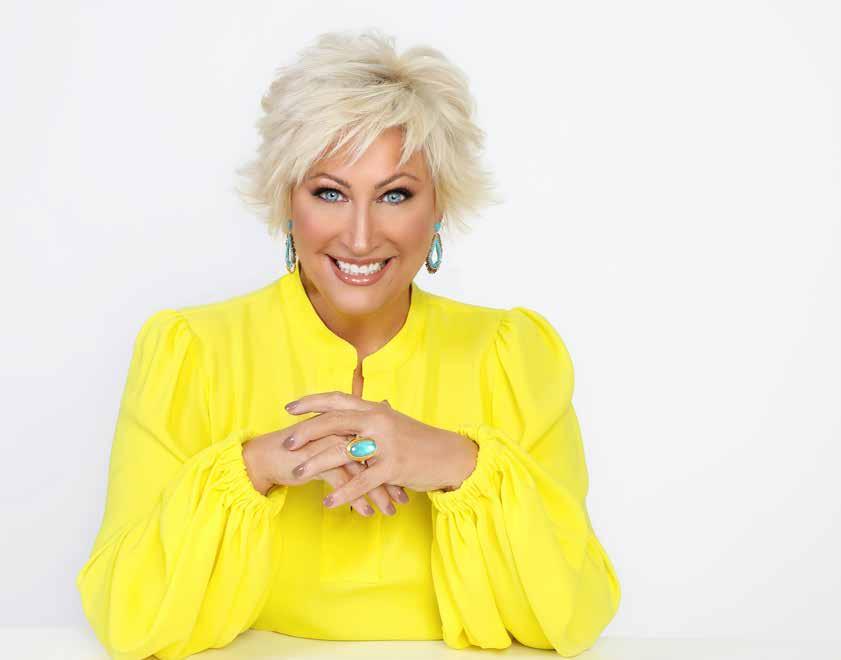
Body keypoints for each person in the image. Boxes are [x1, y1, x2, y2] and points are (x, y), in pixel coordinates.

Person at [75, 28, 621, 660]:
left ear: (439, 207)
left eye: (395, 195)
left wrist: (458, 462)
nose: (360, 237)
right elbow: (126, 619)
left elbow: (573, 617)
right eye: (330, 192)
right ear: (287, 201)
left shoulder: (514, 356)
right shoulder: (190, 352)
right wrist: (255, 467)